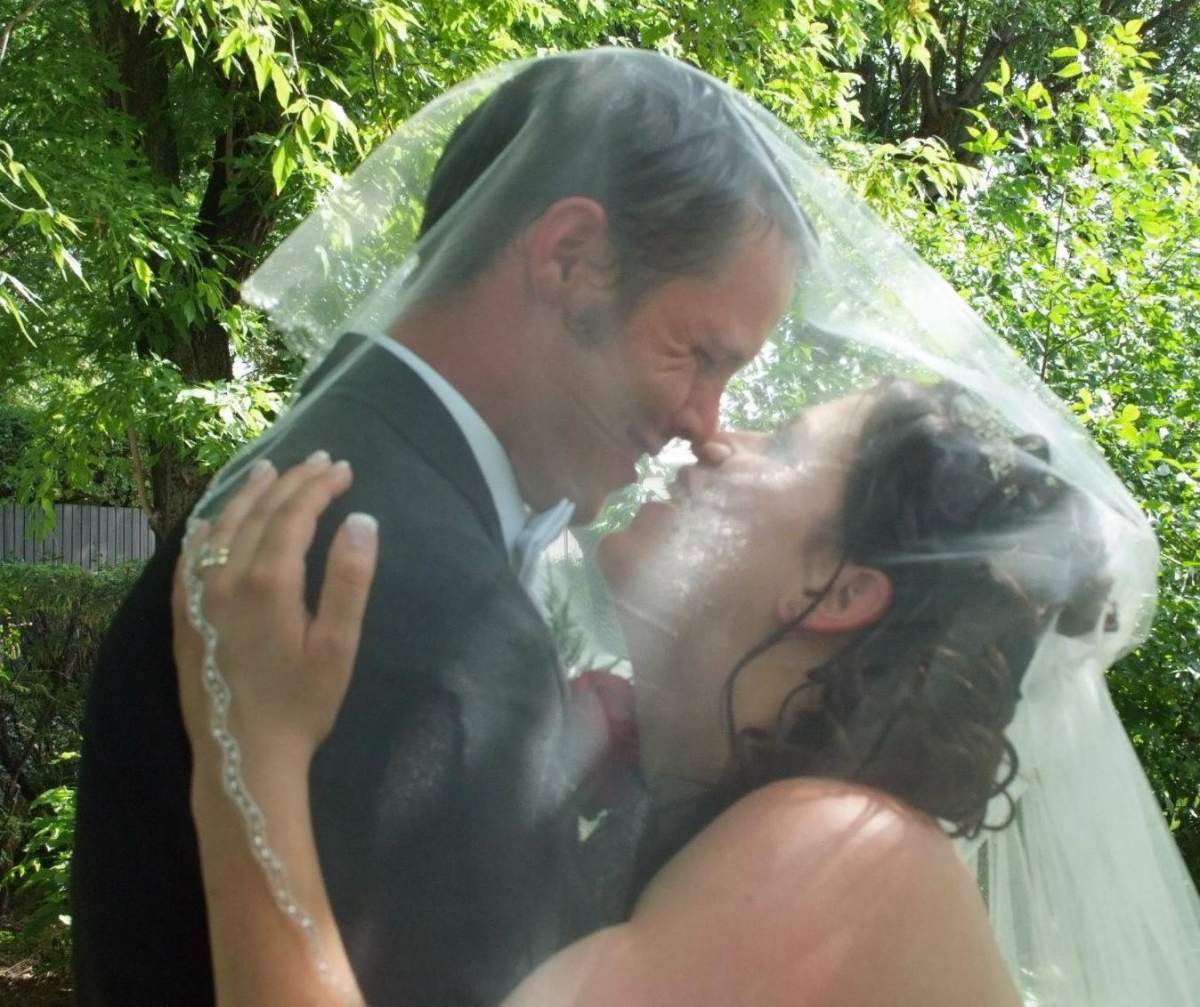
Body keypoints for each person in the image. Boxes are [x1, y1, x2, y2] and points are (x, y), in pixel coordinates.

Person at [71, 50, 809, 1006]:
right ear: (571, 258)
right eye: (699, 354)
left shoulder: (331, 479)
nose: (705, 422)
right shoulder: (407, 591)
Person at [170, 377, 1108, 1005]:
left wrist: (248, 749)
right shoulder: (744, 818)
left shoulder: (840, 849)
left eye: (783, 445)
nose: (714, 440)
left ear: (835, 592)